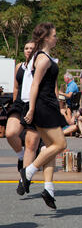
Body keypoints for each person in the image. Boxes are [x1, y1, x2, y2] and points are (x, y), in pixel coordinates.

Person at [21, 22, 68, 209]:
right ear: (47, 38)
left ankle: (48, 188)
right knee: (61, 144)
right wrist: (31, 109)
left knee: (50, 147)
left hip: (48, 104)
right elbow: (35, 85)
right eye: (54, 35)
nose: (56, 37)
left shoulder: (46, 57)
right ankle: (29, 171)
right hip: (43, 105)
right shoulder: (43, 59)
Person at [5, 41, 43, 195]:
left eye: (32, 48)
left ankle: (24, 179)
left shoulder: (42, 65)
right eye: (26, 48)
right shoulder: (19, 66)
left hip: (37, 104)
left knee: (31, 143)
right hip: (20, 103)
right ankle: (21, 157)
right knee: (10, 133)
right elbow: (15, 87)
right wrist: (15, 102)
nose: (28, 50)